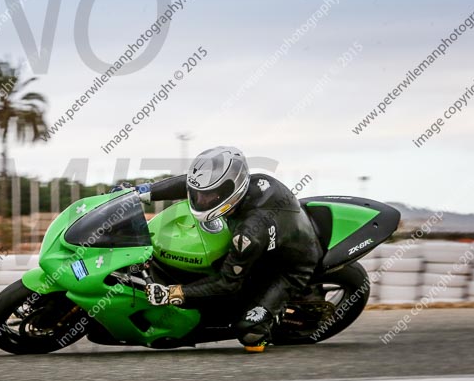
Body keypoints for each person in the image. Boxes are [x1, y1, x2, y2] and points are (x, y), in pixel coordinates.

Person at [118, 146, 322, 352]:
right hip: (277, 234)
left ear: (231, 189)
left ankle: (269, 318)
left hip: (287, 269)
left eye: (209, 195)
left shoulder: (249, 234)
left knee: (250, 333)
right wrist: (139, 192)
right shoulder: (241, 185)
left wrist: (172, 293)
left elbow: (227, 284)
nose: (201, 200)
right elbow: (188, 185)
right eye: (199, 194)